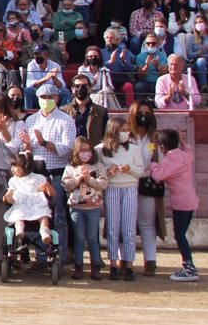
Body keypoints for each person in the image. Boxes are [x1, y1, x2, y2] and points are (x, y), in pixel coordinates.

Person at [98, 118, 147, 281]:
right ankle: (113, 263)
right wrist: (107, 171)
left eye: (127, 130)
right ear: (113, 131)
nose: (126, 133)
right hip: (112, 188)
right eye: (122, 130)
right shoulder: (100, 150)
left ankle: (129, 265)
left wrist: (130, 168)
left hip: (130, 187)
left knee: (129, 229)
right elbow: (97, 172)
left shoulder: (133, 149)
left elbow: (140, 172)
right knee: (112, 228)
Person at [149, 129, 200, 282]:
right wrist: (184, 142)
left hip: (181, 203)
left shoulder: (170, 160)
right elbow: (190, 154)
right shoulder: (184, 156)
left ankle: (189, 267)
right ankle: (188, 265)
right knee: (181, 234)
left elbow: (158, 176)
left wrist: (152, 164)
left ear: (162, 147)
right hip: (190, 201)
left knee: (179, 235)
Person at [62, 137, 107, 280]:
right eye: (82, 151)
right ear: (76, 152)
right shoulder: (70, 167)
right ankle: (79, 267)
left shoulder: (98, 166)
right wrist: (78, 178)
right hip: (76, 207)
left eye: (88, 151)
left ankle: (95, 267)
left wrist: (89, 179)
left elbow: (104, 184)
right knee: (79, 238)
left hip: (93, 207)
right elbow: (66, 185)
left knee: (93, 238)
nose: (85, 154)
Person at [2, 153, 55, 252]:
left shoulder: (39, 178)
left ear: (25, 166)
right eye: (12, 166)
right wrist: (6, 197)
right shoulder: (13, 181)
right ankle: (19, 231)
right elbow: (9, 194)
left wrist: (47, 186)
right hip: (22, 205)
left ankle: (44, 232)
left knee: (43, 215)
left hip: (37, 205)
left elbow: (52, 195)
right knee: (18, 215)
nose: (12, 169)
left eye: (15, 166)